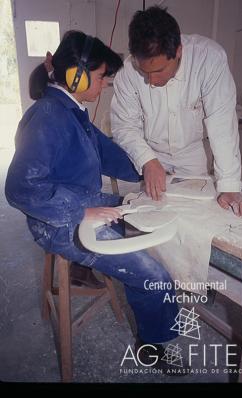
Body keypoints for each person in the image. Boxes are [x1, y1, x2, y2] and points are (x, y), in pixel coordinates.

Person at [5, 30, 186, 374]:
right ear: (77, 75)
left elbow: (106, 152)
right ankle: (153, 345)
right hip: (59, 223)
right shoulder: (48, 117)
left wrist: (150, 165)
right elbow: (20, 189)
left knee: (147, 212)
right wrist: (81, 212)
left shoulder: (72, 112)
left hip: (84, 203)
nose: (105, 85)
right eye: (102, 77)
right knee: (153, 273)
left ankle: (147, 288)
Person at [111, 6, 242, 218]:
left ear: (178, 51)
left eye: (159, 71)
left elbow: (222, 123)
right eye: (144, 71)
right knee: (152, 216)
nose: (151, 81)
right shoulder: (127, 72)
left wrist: (230, 186)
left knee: (196, 217)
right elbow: (124, 126)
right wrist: (147, 160)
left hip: (194, 156)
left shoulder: (209, 59)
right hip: (152, 154)